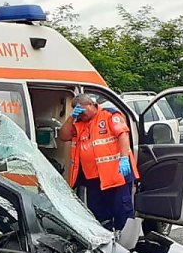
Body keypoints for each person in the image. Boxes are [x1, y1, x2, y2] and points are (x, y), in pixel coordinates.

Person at [58, 94, 138, 232]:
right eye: (79, 112)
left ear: (91, 105)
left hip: (117, 175)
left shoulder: (109, 115)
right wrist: (72, 117)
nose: (81, 115)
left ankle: (125, 246)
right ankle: (105, 242)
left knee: (122, 212)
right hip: (94, 178)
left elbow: (123, 134)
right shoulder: (79, 123)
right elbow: (64, 136)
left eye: (82, 111)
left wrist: (124, 159)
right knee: (98, 215)